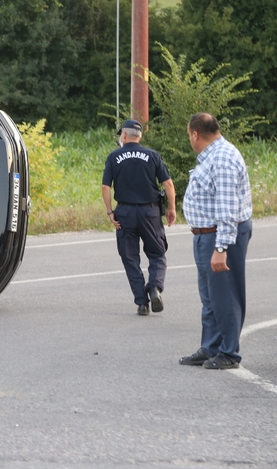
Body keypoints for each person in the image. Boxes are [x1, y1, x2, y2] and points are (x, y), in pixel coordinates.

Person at [179, 113, 252, 370]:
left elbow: (227, 207)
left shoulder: (221, 158)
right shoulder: (213, 155)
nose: (190, 139)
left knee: (226, 295)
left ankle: (229, 352)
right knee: (210, 296)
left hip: (219, 235)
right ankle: (210, 347)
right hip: (206, 235)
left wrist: (221, 247)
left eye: (189, 135)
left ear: (195, 134)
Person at [102, 119, 176, 316]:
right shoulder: (152, 155)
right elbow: (168, 184)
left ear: (124, 136)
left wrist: (110, 211)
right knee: (157, 254)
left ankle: (142, 303)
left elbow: (105, 187)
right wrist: (172, 209)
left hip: (124, 213)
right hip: (150, 213)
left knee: (130, 258)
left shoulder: (114, 157)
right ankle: (154, 287)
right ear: (140, 136)